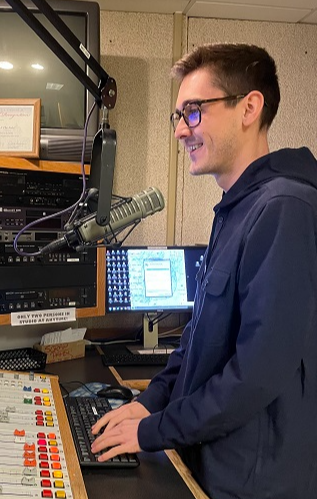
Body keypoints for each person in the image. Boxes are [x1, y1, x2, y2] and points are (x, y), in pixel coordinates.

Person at [91, 43, 317, 499]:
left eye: (193, 112)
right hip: (211, 461)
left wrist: (154, 431)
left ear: (249, 107)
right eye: (177, 115)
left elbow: (255, 374)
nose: (179, 130)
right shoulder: (235, 210)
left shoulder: (284, 208)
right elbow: (197, 340)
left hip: (253, 483)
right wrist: (149, 403)